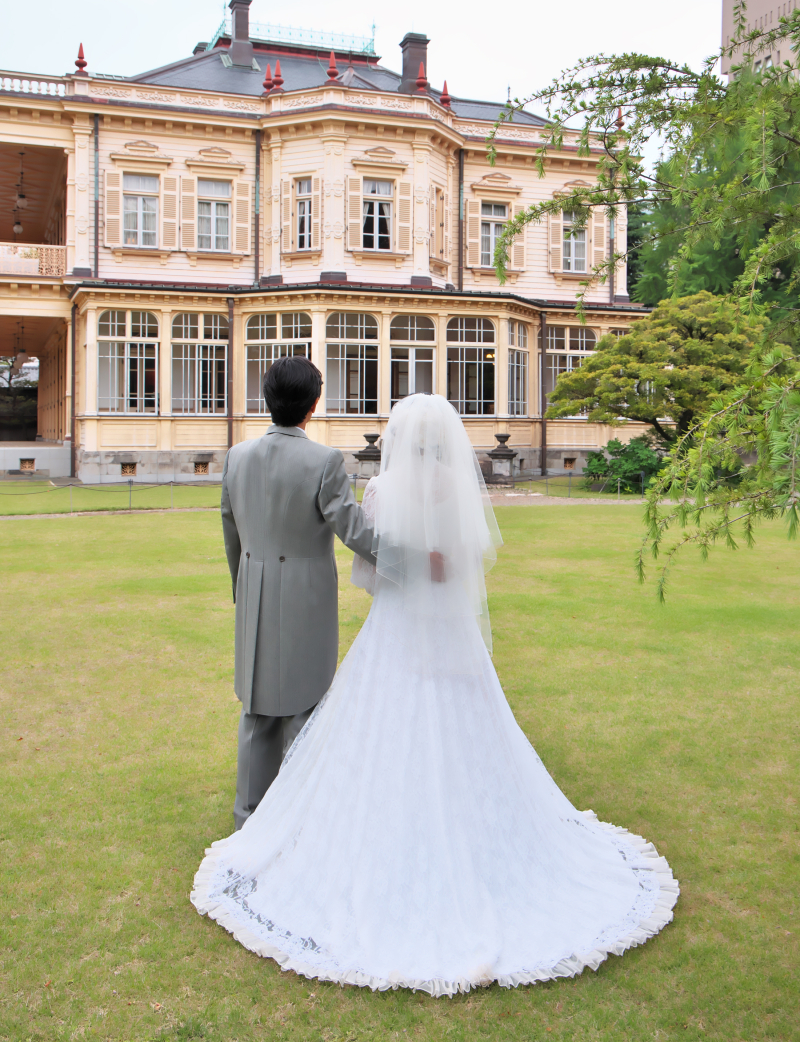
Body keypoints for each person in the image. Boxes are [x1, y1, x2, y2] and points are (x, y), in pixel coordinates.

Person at [194, 394, 678, 995]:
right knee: (468, 723)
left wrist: (404, 568)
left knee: (357, 726)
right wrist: (433, 567)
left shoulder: (380, 490)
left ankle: (280, 815)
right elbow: (470, 564)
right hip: (449, 634)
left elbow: (370, 575)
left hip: (396, 629)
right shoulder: (457, 485)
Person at [219, 355, 375, 831]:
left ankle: (249, 813)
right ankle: (298, 814)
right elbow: (354, 530)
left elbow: (230, 528)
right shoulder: (323, 459)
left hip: (253, 584)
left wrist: (241, 585)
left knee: (257, 706)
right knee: (303, 704)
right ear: (313, 404)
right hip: (305, 592)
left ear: (268, 398)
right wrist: (411, 555)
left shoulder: (237, 455)